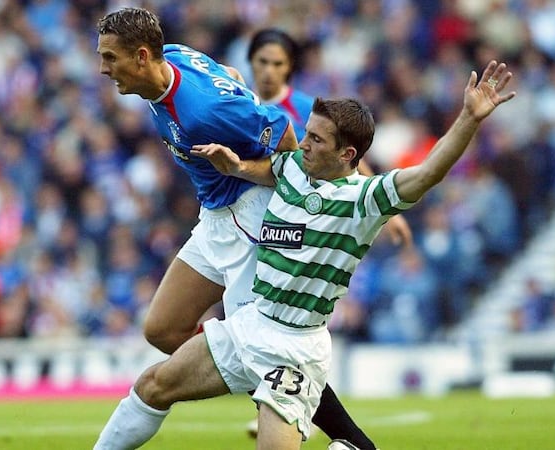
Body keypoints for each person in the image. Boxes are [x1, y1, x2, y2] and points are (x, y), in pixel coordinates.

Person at [93, 60, 515, 449]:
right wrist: (234, 165)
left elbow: (427, 173)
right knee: (152, 386)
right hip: (248, 328)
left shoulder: (364, 200)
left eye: (315, 139)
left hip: (294, 349)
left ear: (346, 154)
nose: (302, 144)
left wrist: (468, 118)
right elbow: (265, 166)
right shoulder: (294, 168)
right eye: (307, 133)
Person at [97, 9, 383, 449]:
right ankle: (254, 379)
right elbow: (226, 73)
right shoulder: (173, 56)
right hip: (215, 215)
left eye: (110, 58)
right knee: (162, 329)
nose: (103, 68)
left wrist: (297, 198)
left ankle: (355, 442)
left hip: (250, 217)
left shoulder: (205, 112)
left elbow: (284, 130)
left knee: (262, 345)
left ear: (140, 57)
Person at [245, 27, 415, 447]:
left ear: (290, 69)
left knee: (268, 325)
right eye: (262, 61)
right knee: (178, 331)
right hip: (250, 223)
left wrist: (385, 210)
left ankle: (280, 398)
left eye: (278, 63)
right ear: (250, 63)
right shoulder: (241, 102)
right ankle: (280, 398)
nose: (268, 71)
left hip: (287, 228)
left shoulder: (302, 108)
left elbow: (346, 159)